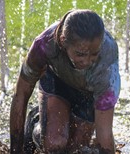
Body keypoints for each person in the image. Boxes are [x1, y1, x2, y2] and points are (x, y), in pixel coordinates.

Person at [10, 9, 120, 154]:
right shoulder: (44, 45)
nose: (87, 61)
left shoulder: (106, 65)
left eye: (94, 54)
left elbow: (105, 134)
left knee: (76, 150)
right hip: (57, 82)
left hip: (89, 92)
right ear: (63, 40)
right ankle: (36, 121)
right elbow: (20, 95)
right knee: (55, 145)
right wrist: (16, 150)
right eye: (80, 54)